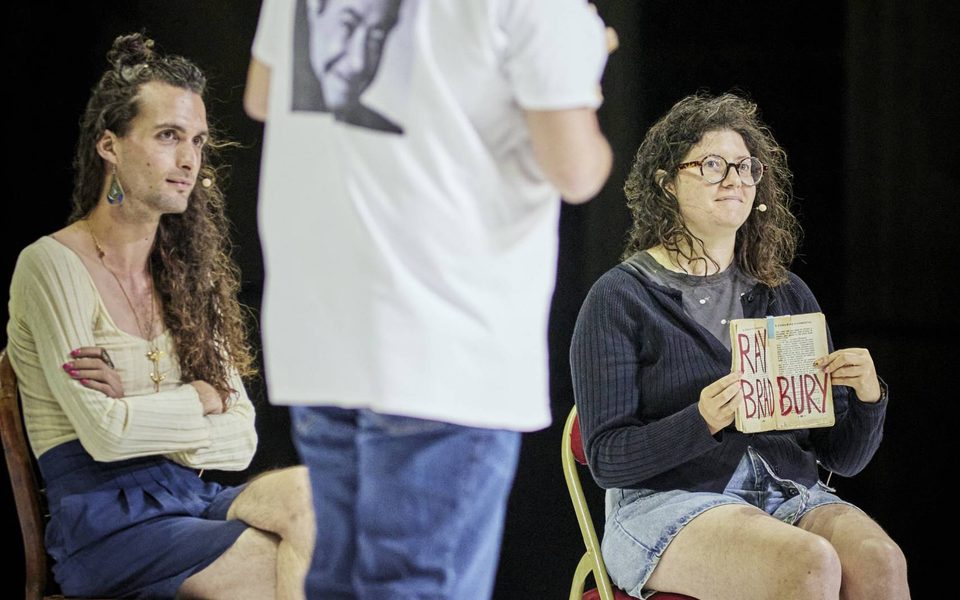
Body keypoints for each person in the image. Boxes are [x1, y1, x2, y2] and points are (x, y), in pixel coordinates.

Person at [244, 0, 614, 597]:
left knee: (338, 580)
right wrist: (582, 66)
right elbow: (576, 170)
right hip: (442, 338)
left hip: (321, 329)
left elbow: (264, 94)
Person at [6, 33, 313, 600]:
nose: (189, 158)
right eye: (168, 136)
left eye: (196, 139)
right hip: (105, 529)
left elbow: (241, 439)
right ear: (110, 146)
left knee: (310, 500)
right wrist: (198, 397)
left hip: (190, 501)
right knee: (281, 565)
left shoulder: (188, 277)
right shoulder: (50, 265)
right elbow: (102, 434)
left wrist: (136, 406)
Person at [570, 92, 910, 600]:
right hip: (666, 503)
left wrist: (867, 398)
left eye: (746, 167)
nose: (734, 179)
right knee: (808, 561)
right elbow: (607, 459)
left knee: (880, 560)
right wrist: (699, 421)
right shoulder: (621, 297)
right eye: (712, 165)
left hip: (789, 496)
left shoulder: (785, 292)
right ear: (666, 183)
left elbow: (843, 456)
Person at [294, 0, 404, 133]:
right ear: (314, 7)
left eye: (376, 37)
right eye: (348, 25)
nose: (359, 63)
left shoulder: (388, 133)